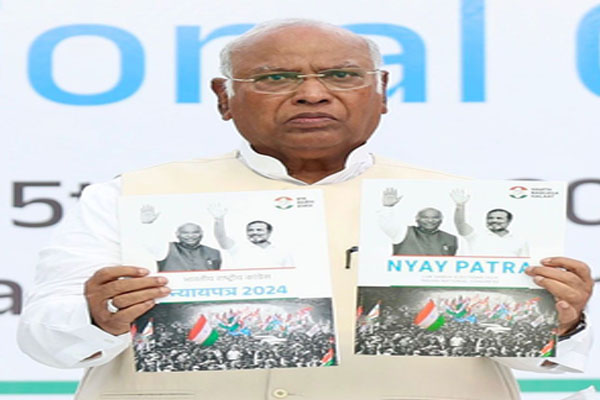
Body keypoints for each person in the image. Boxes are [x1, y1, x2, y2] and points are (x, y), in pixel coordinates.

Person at [18, 19, 593, 400]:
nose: (313, 93)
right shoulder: (130, 197)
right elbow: (45, 339)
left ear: (382, 92)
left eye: (341, 76)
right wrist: (98, 317)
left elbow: (560, 357)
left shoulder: (470, 206)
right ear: (224, 97)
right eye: (276, 78)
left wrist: (565, 323)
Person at [139, 204, 222, 271]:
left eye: (195, 232)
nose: (190, 236)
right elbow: (149, 243)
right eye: (185, 233)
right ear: (177, 234)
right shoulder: (165, 249)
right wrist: (147, 224)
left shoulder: (214, 253)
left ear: (201, 234)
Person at [209, 204, 293, 268]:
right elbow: (221, 237)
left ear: (269, 232)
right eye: (250, 230)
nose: (254, 232)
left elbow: (289, 273)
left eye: (259, 230)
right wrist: (219, 220)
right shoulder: (238, 247)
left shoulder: (282, 251)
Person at [378, 187, 457, 255]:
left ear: (441, 220)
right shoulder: (402, 232)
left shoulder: (451, 239)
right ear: (417, 219)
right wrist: (387, 207)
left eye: (435, 218)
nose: (430, 220)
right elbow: (386, 223)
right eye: (425, 218)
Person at [451, 188, 529, 256]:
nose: (494, 220)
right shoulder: (475, 235)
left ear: (508, 221)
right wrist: (460, 206)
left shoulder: (519, 240)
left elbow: (524, 261)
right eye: (490, 218)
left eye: (499, 218)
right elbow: (460, 223)